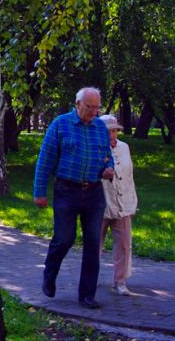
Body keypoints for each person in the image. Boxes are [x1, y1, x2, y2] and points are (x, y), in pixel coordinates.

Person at [33, 87, 115, 309]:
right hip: (67, 191)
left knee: (92, 242)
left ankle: (87, 295)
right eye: (90, 107)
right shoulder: (60, 125)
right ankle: (49, 275)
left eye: (97, 108)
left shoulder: (100, 127)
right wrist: (39, 192)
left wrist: (109, 168)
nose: (94, 112)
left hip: (94, 192)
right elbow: (45, 160)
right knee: (64, 238)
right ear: (77, 104)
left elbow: (108, 156)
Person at [98, 114, 138, 296]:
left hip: (123, 204)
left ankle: (120, 281)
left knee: (124, 244)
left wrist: (132, 202)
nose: (112, 135)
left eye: (114, 131)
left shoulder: (124, 147)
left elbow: (129, 177)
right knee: (94, 244)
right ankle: (90, 279)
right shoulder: (95, 147)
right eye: (108, 131)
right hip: (100, 203)